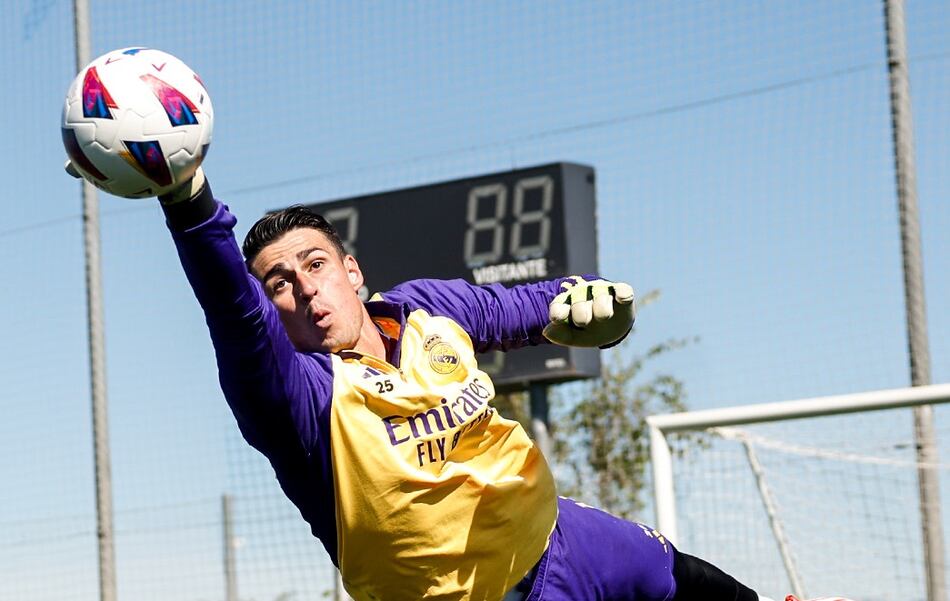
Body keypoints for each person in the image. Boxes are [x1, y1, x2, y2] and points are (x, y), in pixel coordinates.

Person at [69, 162, 852, 601]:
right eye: (277, 282)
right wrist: (187, 199)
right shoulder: (293, 399)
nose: (303, 288)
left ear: (351, 270)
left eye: (314, 265)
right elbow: (227, 308)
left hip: (561, 541)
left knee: (689, 584)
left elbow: (526, 306)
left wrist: (585, 305)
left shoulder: (424, 311)